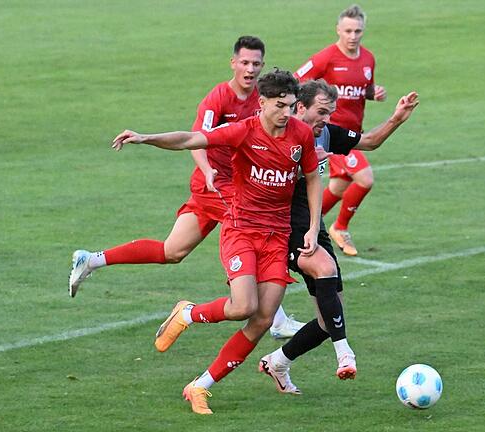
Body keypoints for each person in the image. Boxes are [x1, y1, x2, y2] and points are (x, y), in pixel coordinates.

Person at [111, 69, 322, 415]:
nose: (287, 113)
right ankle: (188, 313)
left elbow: (312, 178)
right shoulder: (243, 131)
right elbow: (189, 139)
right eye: (280, 106)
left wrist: (312, 227)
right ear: (263, 102)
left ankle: (199, 386)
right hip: (241, 230)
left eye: (292, 105)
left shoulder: (300, 134)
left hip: (277, 235)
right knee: (242, 306)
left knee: (264, 319)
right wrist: (146, 137)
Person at [67, 36, 304, 338]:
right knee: (248, 233)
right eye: (244, 62)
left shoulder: (269, 99)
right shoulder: (218, 98)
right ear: (233, 63)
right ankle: (275, 319)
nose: (250, 69)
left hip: (235, 184)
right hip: (219, 187)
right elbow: (196, 138)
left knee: (173, 250)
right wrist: (206, 170)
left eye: (256, 63)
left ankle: (91, 259)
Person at [256, 79, 419, 394]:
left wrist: (397, 118)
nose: (326, 120)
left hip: (312, 222)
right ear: (299, 107)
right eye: (321, 112)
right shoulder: (276, 133)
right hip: (281, 225)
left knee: (330, 316)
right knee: (324, 271)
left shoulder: (324, 133)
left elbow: (369, 141)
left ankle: (277, 362)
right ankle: (344, 353)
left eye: (330, 113)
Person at [295, 4, 385, 256]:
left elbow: (363, 88)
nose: (353, 36)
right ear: (338, 30)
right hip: (331, 133)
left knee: (337, 186)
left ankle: (310, 221)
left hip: (354, 132)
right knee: (365, 178)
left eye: (357, 31)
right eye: (348, 31)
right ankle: (340, 227)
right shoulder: (326, 57)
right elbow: (297, 79)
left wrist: (373, 93)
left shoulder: (368, 58)